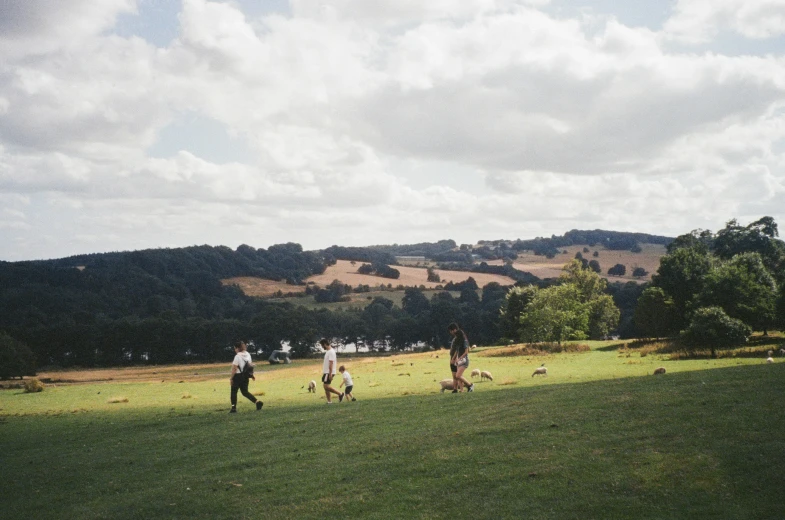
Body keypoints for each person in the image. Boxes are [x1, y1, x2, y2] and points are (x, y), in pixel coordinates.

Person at [229, 341, 263, 413]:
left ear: (237, 348)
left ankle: (233, 408)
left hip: (237, 376)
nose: (235, 350)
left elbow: (234, 368)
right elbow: (249, 366)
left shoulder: (237, 356)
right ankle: (257, 402)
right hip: (245, 376)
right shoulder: (248, 354)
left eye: (235, 348)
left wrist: (231, 378)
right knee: (245, 392)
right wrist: (251, 375)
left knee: (233, 392)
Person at [448, 323, 474, 393]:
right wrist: (453, 359)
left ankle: (470, 385)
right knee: (458, 376)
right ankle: (466, 388)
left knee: (458, 375)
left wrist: (459, 358)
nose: (455, 336)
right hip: (459, 360)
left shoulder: (464, 341)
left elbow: (466, 352)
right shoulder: (458, 341)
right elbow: (456, 351)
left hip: (464, 360)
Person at [320, 338, 344, 404]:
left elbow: (331, 363)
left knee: (326, 386)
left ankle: (340, 393)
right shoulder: (328, 351)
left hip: (329, 372)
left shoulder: (331, 352)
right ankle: (329, 401)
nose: (322, 347)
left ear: (325, 344)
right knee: (326, 387)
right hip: (327, 372)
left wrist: (330, 374)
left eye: (322, 345)